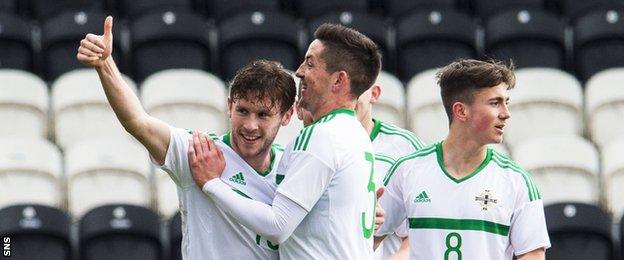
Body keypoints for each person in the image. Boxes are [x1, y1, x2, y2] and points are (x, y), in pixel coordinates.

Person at [76, 16, 297, 259]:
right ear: (229, 105)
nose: (250, 125)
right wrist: (105, 64)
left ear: (286, 116)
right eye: (242, 111)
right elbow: (137, 122)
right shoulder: (200, 151)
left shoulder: (293, 171)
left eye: (263, 115)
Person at [190, 23, 383, 259]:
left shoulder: (322, 136)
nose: (300, 71)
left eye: (310, 63)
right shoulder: (357, 135)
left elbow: (277, 226)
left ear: (338, 81)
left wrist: (212, 184)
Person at [375, 59, 550, 259]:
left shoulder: (518, 181)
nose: (506, 114)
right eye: (495, 103)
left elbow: (532, 256)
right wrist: (370, 226)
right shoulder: (407, 170)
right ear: (461, 111)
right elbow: (367, 239)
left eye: (506, 103)